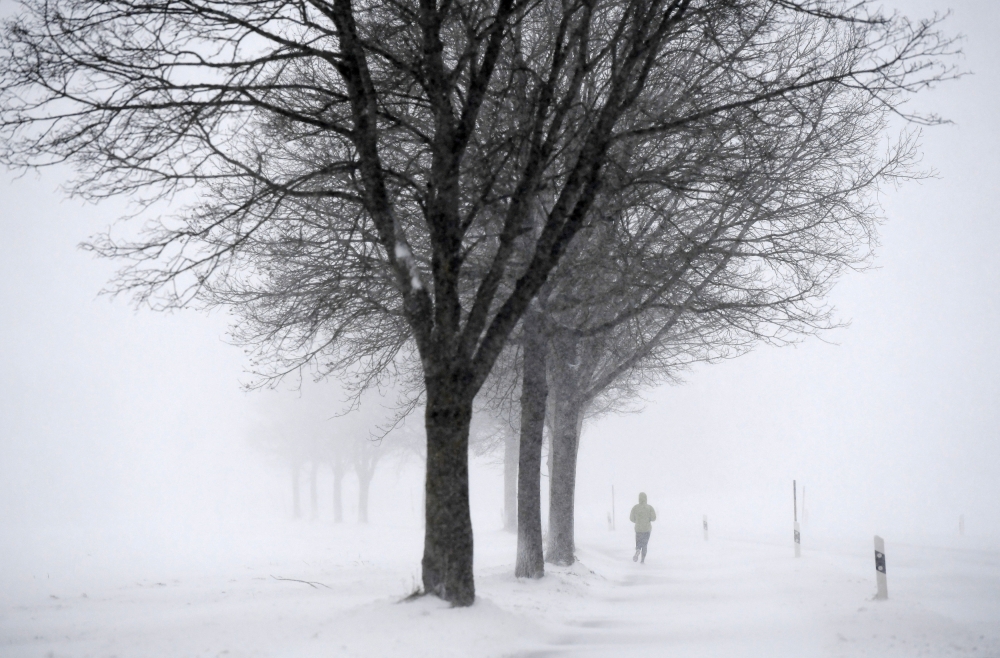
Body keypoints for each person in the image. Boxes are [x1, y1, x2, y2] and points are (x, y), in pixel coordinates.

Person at [630, 492, 656, 563]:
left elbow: (631, 518)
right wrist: (648, 519)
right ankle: (642, 560)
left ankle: (638, 549)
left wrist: (637, 521)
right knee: (644, 544)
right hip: (647, 529)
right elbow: (654, 518)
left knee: (638, 542)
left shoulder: (635, 508)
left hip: (638, 529)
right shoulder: (649, 508)